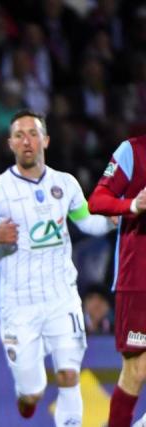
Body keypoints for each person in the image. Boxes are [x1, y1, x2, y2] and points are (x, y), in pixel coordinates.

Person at [0, 109, 116, 425]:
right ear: (10, 144)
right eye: (19, 135)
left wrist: (115, 219)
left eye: (32, 134)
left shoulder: (65, 184)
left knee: (69, 374)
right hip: (19, 305)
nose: (26, 140)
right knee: (32, 393)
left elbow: (87, 223)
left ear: (46, 140)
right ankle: (27, 395)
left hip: (62, 297)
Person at [87, 134, 146, 427]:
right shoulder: (132, 151)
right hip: (139, 279)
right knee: (136, 371)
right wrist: (132, 205)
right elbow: (97, 200)